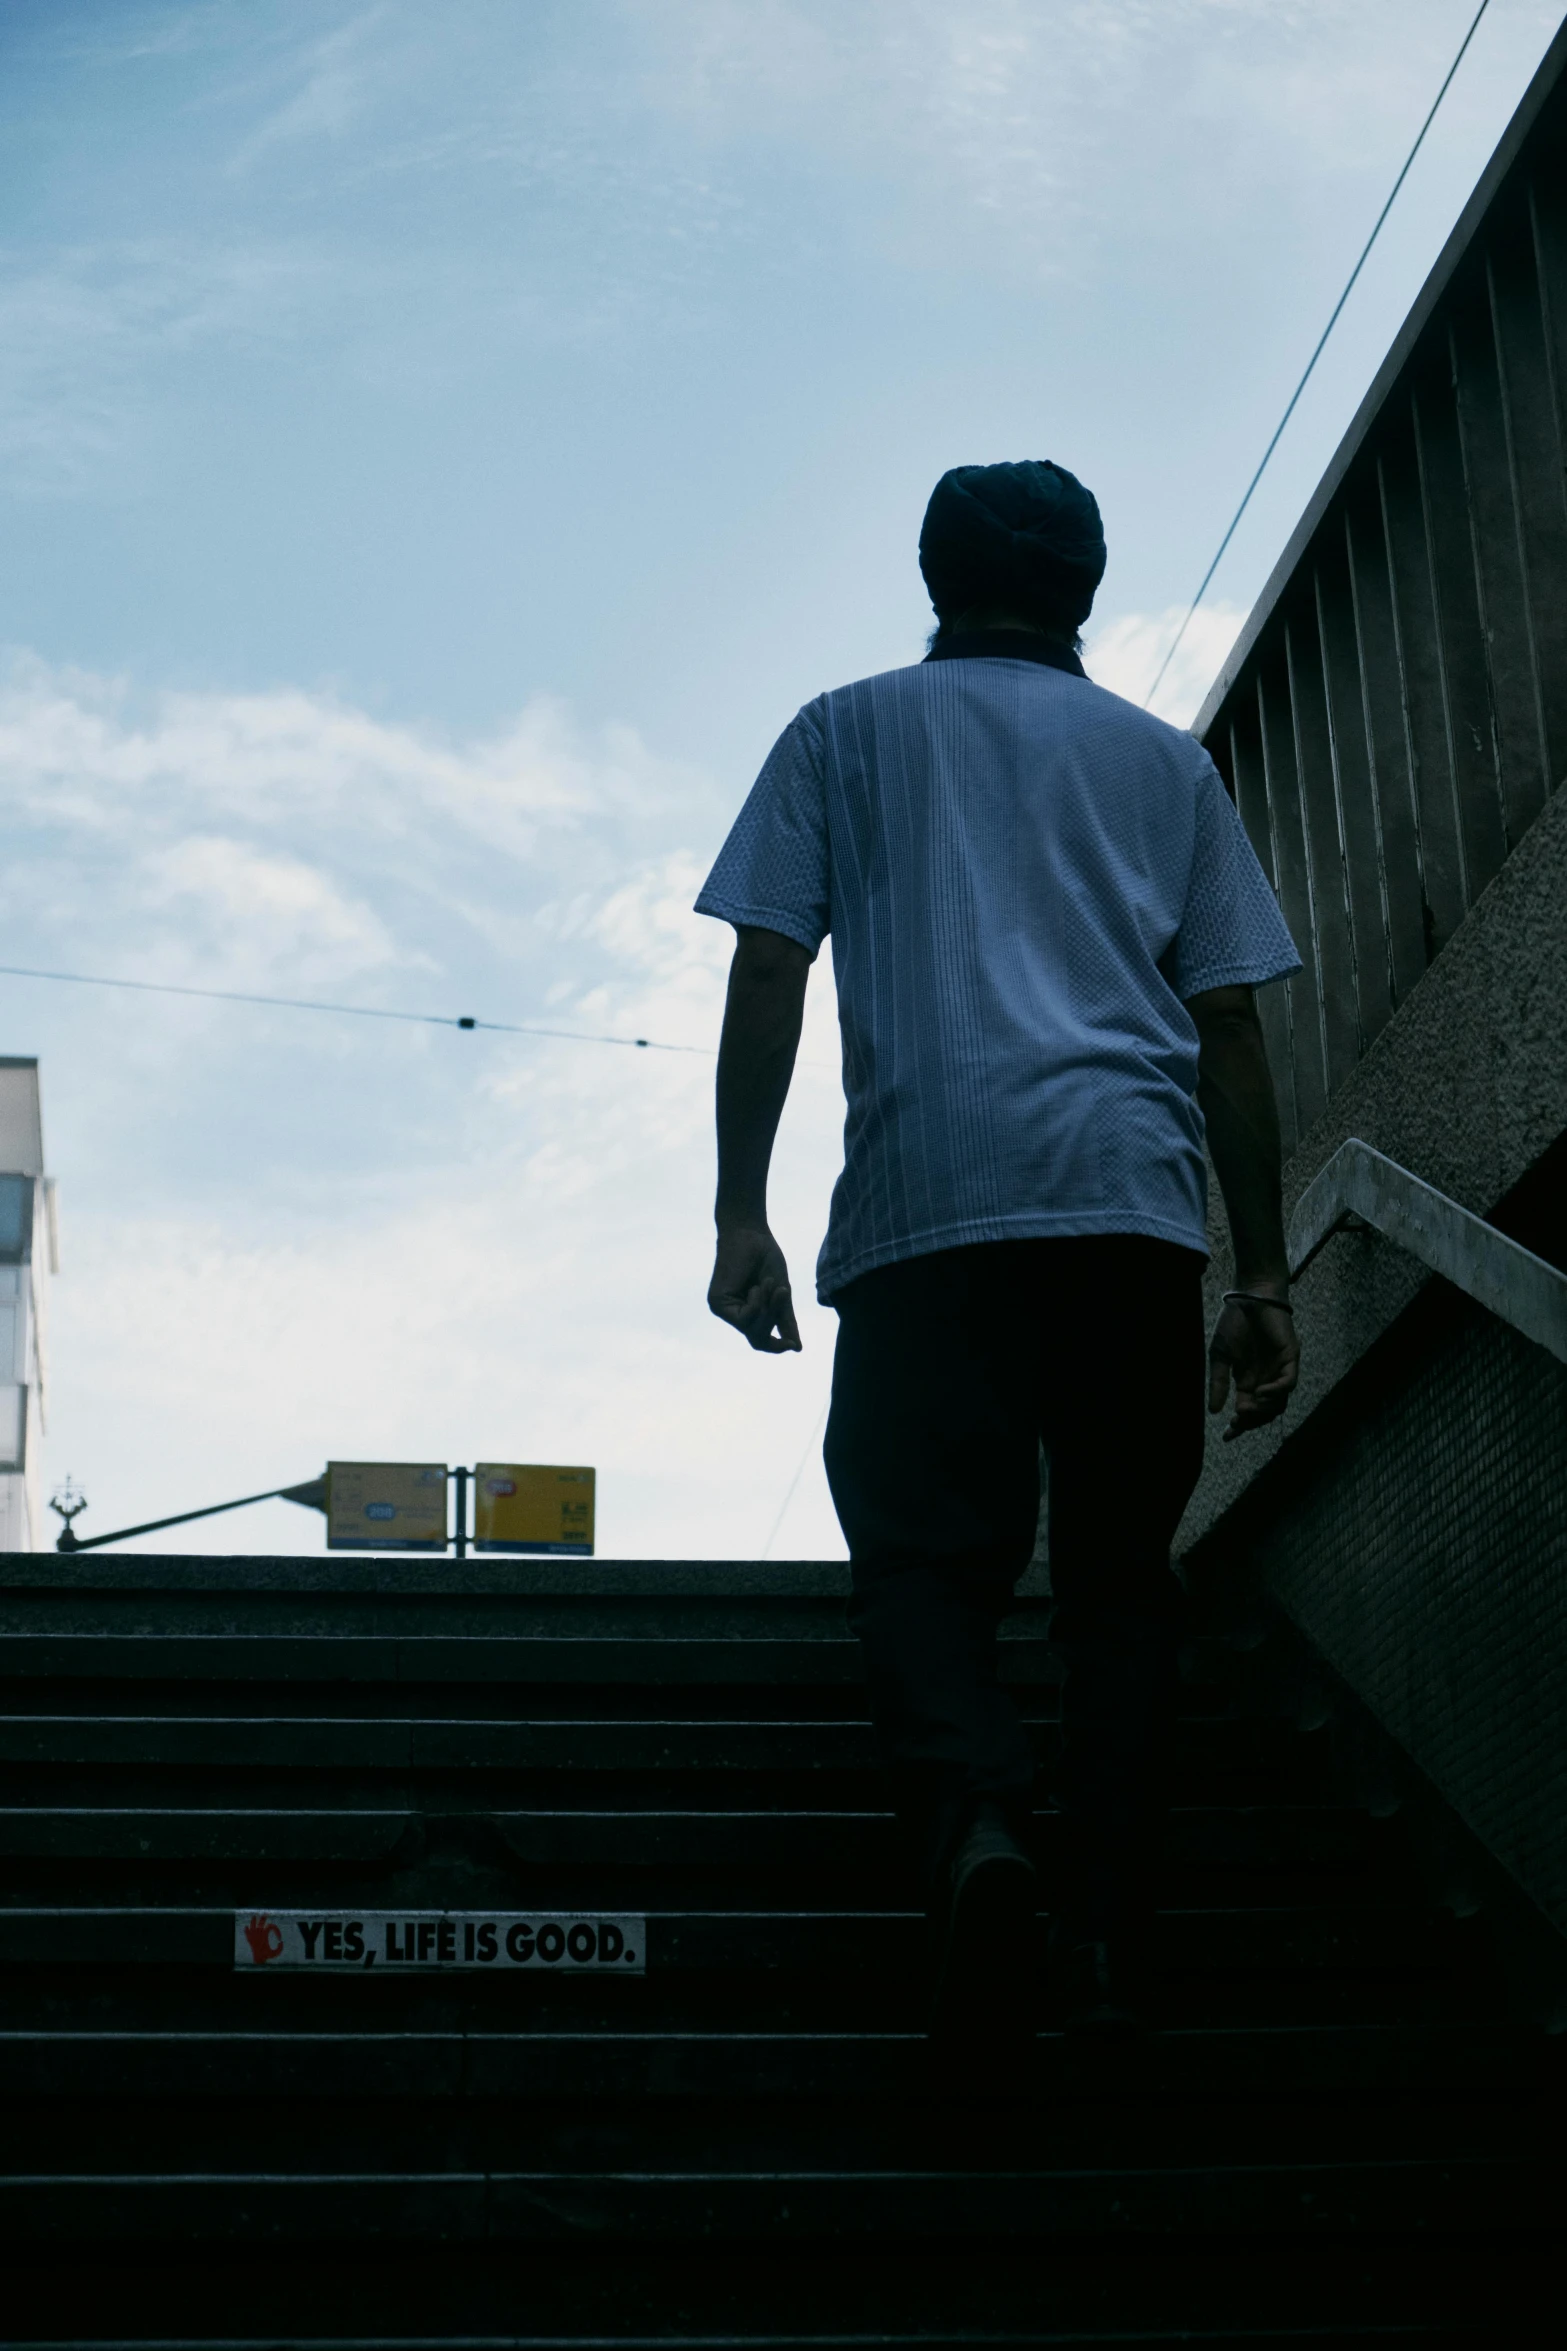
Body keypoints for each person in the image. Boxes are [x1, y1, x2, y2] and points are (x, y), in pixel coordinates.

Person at [696, 459, 1300, 2037]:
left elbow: (770, 967)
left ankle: (975, 1824)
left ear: (932, 576)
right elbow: (1224, 1017)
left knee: (916, 1557)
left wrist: (738, 1207)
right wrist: (1260, 1270)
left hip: (923, 1213)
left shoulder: (842, 730)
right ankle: (1099, 1916)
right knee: (1115, 1583)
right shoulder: (1163, 764)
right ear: (1086, 589)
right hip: (1127, 1205)